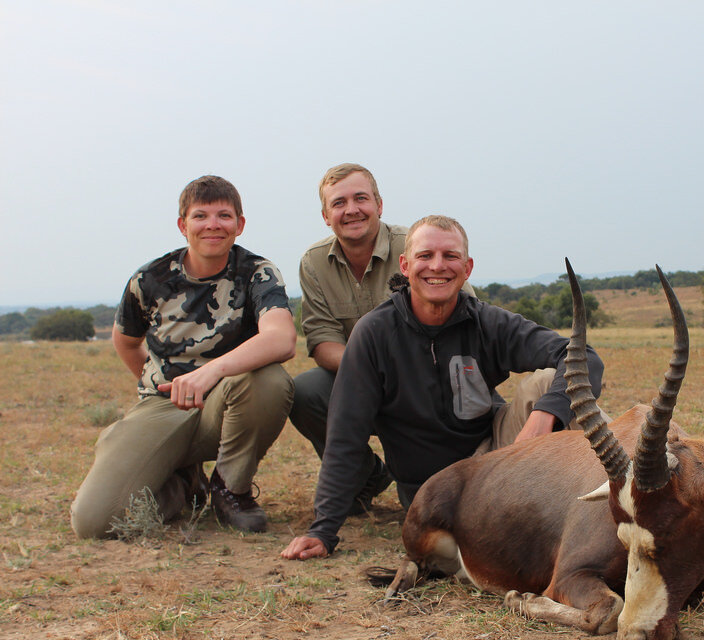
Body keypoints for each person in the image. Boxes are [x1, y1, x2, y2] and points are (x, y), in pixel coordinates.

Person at [281, 215, 603, 560]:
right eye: (425, 256)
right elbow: (346, 434)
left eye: (450, 256)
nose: (438, 266)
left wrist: (544, 415)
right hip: (433, 491)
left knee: (545, 385)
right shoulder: (374, 333)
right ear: (405, 265)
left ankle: (613, 510)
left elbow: (584, 357)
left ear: (467, 268)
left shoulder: (487, 322)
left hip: (495, 460)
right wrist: (323, 530)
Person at [71, 175, 296, 538]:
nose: (212, 225)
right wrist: (155, 384)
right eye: (200, 216)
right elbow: (127, 342)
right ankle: (185, 486)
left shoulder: (258, 273)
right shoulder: (149, 279)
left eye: (224, 216)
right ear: (182, 225)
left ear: (239, 224)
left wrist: (213, 373)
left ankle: (230, 491)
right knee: (95, 522)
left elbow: (282, 338)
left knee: (271, 381)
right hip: (165, 404)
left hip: (227, 402)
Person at [288, 163, 472, 514]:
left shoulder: (419, 246)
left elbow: (467, 316)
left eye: (361, 198)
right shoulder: (313, 263)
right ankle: (365, 477)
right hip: (363, 382)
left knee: (434, 508)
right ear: (326, 216)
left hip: (431, 382)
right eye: (339, 203)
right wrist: (374, 370)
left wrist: (411, 372)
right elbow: (322, 341)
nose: (352, 209)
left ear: (380, 205)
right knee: (307, 391)